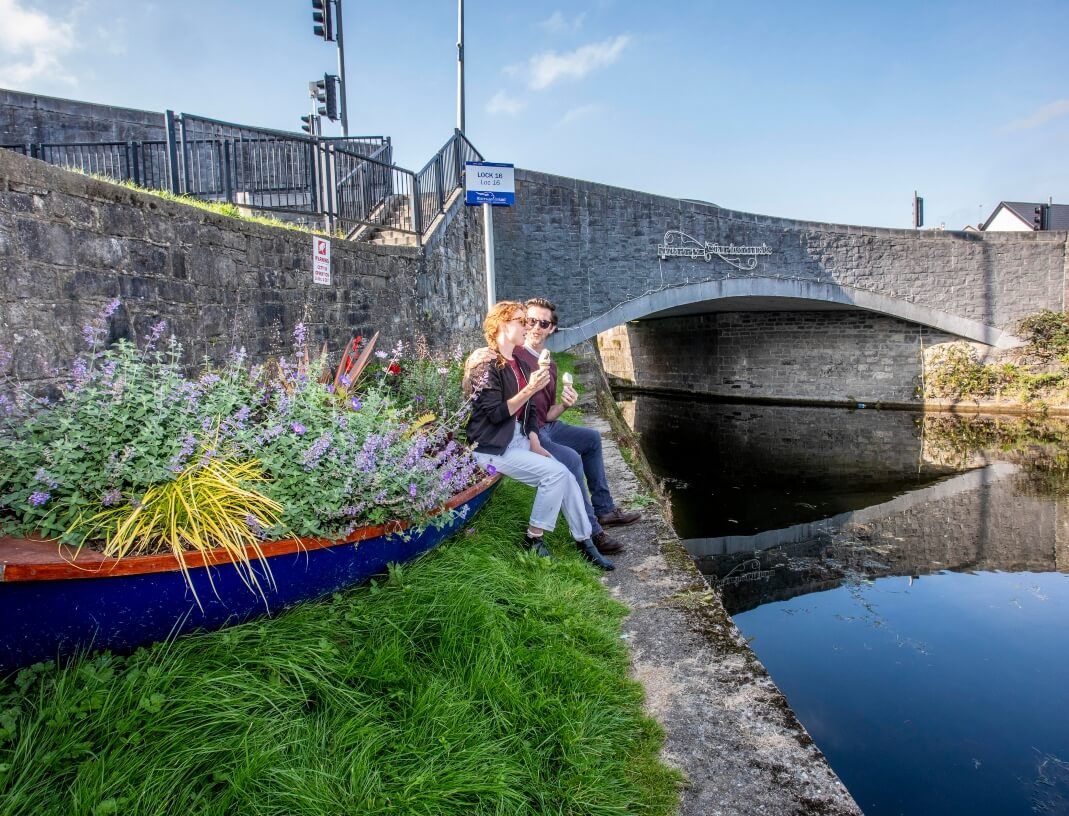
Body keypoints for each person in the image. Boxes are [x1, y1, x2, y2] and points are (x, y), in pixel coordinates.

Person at [466, 298, 641, 555]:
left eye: (541, 323)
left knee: (591, 439)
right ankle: (590, 534)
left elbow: (542, 412)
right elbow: (498, 408)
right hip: (511, 436)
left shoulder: (546, 363)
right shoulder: (506, 357)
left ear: (551, 329)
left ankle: (601, 516)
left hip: (538, 428)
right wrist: (530, 391)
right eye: (528, 321)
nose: (533, 327)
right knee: (568, 462)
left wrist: (564, 406)